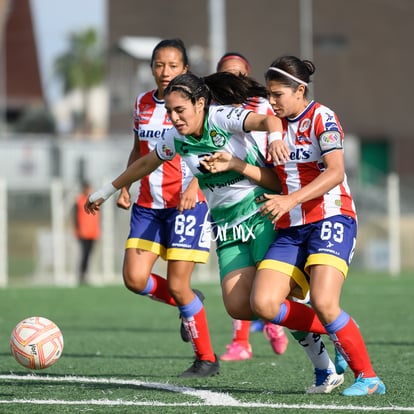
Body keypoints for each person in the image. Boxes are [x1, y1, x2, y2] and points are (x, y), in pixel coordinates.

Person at [85, 71, 342, 393]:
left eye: (180, 110)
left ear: (201, 103)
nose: (174, 118)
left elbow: (269, 121)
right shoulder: (177, 138)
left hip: (260, 214)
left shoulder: (222, 117)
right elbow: (145, 163)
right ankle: (337, 329)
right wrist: (108, 190)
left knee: (272, 300)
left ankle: (326, 367)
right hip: (227, 227)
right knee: (238, 306)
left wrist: (276, 139)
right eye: (169, 112)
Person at [203, 56, 386, 396]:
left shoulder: (322, 117)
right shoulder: (276, 127)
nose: (272, 102)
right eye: (269, 95)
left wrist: (290, 199)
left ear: (300, 90)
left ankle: (369, 377)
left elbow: (336, 172)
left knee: (324, 300)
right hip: (291, 228)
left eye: (278, 95)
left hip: (332, 219)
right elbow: (274, 178)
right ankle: (338, 333)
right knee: (265, 304)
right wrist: (237, 164)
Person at [114, 38, 218, 378]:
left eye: (173, 65)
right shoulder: (143, 103)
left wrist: (195, 184)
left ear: (184, 69)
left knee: (177, 284)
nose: (164, 71)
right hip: (148, 205)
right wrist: (125, 185)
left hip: (186, 204)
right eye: (159, 65)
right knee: (133, 278)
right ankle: (190, 301)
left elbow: (212, 148)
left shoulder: (197, 104)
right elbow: (139, 150)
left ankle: (206, 359)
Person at [215, 52, 289, 360]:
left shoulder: (263, 108)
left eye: (240, 76)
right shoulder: (213, 113)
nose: (234, 82)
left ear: (249, 78)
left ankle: (291, 322)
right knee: (239, 286)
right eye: (226, 76)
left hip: (269, 197)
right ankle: (242, 340)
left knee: (271, 278)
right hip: (232, 207)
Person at [73, 181, 101, 284]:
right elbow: (75, 217)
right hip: (83, 232)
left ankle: (86, 273)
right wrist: (77, 230)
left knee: (89, 254)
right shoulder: (79, 201)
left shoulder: (95, 201)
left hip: (93, 232)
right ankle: (81, 274)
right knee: (84, 254)